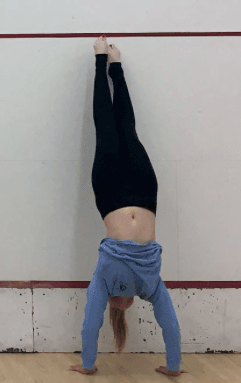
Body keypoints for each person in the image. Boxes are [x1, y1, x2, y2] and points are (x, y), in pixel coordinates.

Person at [69, 36, 185, 378]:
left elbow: (91, 325)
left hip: (116, 195)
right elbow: (170, 325)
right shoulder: (148, 286)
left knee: (110, 128)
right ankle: (112, 65)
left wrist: (88, 365)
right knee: (123, 128)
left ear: (117, 307)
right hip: (142, 192)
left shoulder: (110, 285)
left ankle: (105, 61)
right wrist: (173, 367)